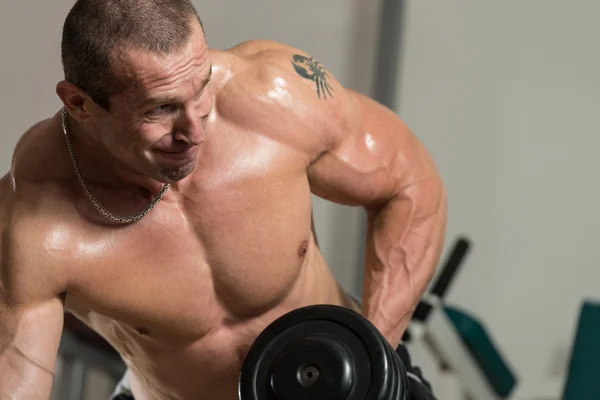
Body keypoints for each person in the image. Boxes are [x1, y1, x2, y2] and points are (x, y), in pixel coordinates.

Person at [0, 0, 447, 399]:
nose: (195, 131)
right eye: (160, 109)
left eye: (201, 89)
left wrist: (372, 356)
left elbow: (410, 186)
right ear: (79, 104)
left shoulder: (276, 97)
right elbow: (17, 378)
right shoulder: (32, 224)